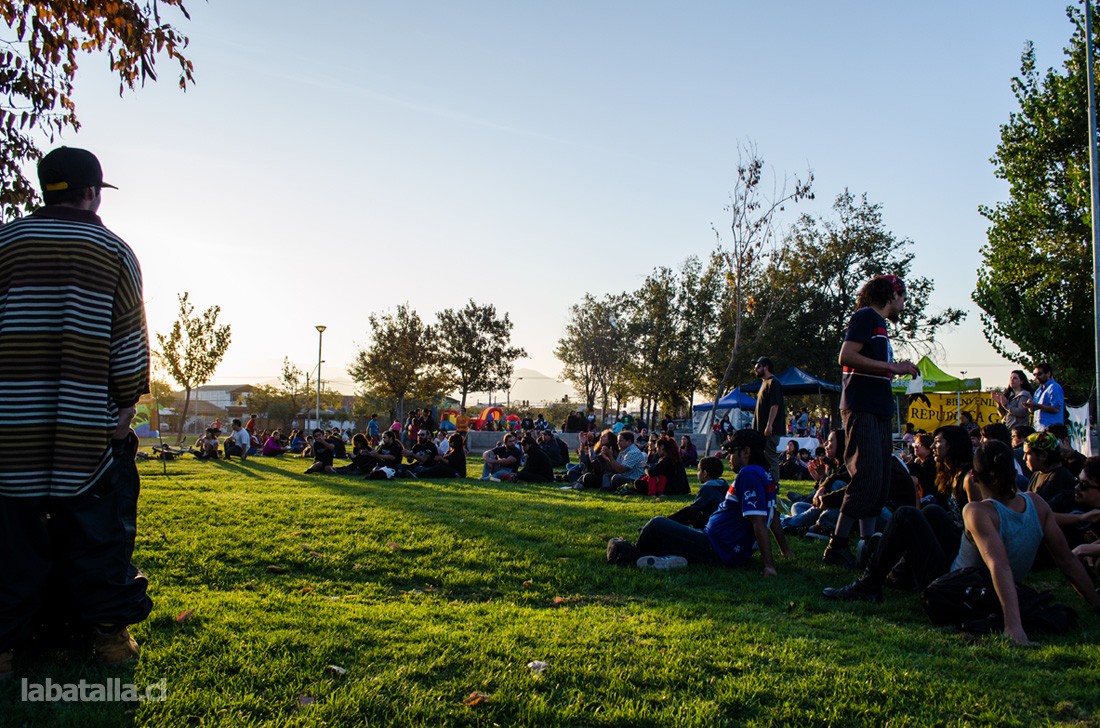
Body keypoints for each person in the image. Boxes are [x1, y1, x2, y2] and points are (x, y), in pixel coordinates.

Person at [0, 147, 152, 674]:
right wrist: (125, 410)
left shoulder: (5, 242)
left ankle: (3, 648)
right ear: (93, 192)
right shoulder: (113, 251)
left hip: (9, 427)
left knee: (9, 540)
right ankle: (109, 636)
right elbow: (129, 345)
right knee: (100, 534)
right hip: (84, 427)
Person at [824, 440, 1100, 645]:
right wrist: (1096, 602)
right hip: (977, 576)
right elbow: (1066, 561)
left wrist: (1013, 627)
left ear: (975, 477)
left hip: (956, 587)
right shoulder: (1037, 505)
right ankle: (897, 571)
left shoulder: (979, 512)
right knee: (931, 512)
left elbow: (999, 566)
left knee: (906, 515)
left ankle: (868, 584)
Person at [824, 274, 919, 568]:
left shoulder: (880, 327)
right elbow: (846, 355)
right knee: (866, 472)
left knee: (879, 476)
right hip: (861, 405)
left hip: (878, 407)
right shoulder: (865, 316)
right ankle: (837, 544)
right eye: (902, 296)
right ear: (891, 293)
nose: (904, 303)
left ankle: (867, 543)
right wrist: (893, 366)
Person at [605, 429, 777, 576]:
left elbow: (758, 520)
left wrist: (768, 565)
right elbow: (773, 514)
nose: (728, 457)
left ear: (746, 452)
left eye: (732, 452)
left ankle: (630, 553)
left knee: (656, 525)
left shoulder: (748, 474)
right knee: (674, 534)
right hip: (724, 545)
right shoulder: (764, 474)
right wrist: (785, 550)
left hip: (717, 546)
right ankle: (668, 559)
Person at [1024, 432, 1077, 513]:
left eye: (1028, 454)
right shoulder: (1038, 473)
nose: (1024, 458)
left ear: (1043, 456)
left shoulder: (1059, 478)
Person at [753, 356, 784, 483]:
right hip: (761, 429)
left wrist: (769, 425)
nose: (755, 369)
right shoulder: (763, 383)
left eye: (758, 366)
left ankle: (774, 484)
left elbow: (775, 405)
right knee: (763, 457)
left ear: (766, 367)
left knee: (771, 457)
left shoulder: (773, 382)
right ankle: (765, 482)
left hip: (770, 430)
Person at [1025, 362, 1064, 429]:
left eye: (1039, 374)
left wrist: (1036, 405)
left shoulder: (1054, 387)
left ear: (1048, 374)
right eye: (1034, 375)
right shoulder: (1038, 390)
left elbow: (1056, 409)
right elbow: (1033, 410)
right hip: (1039, 429)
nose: (1036, 377)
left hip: (1052, 429)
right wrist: (1030, 405)